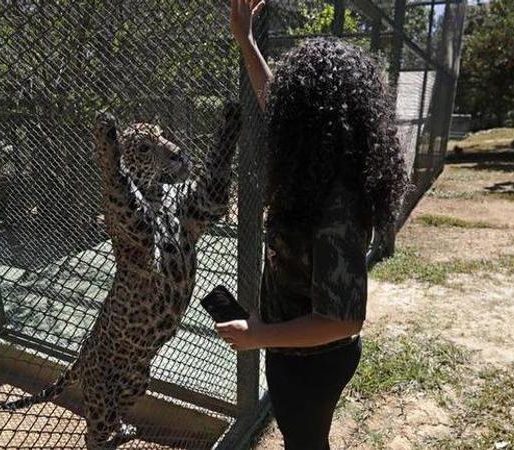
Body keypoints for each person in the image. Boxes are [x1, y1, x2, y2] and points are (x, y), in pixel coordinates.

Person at [217, 1, 409, 449]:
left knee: (304, 442)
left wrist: (260, 336)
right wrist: (245, 40)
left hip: (312, 360)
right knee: (299, 436)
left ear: (307, 119)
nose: (279, 111)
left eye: (291, 103)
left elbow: (343, 321)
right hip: (294, 352)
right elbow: (274, 104)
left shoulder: (336, 208)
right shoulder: (322, 166)